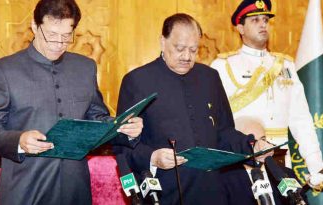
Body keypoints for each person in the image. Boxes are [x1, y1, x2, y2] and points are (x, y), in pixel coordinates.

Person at [0, 0, 143, 204]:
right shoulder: (3, 70)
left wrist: (122, 128)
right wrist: (18, 141)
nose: (58, 44)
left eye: (66, 37)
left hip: (75, 189)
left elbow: (96, 119)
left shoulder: (85, 67)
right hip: (25, 189)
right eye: (52, 36)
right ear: (35, 26)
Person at [114, 13, 265, 205]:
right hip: (165, 192)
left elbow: (224, 132)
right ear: (162, 42)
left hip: (213, 190)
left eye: (193, 50)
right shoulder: (137, 81)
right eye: (180, 49)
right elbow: (123, 146)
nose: (187, 56)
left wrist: (253, 146)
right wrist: (152, 157)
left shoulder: (209, 77)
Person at [210, 0, 323, 188]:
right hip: (242, 160)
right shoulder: (222, 66)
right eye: (255, 20)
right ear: (240, 28)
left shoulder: (286, 66)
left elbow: (301, 120)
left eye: (265, 19)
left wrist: (314, 163)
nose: (263, 24)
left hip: (280, 161)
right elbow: (214, 122)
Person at [220, 117, 300, 205]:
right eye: (252, 142)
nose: (261, 146)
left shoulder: (287, 174)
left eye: (263, 139)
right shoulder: (225, 181)